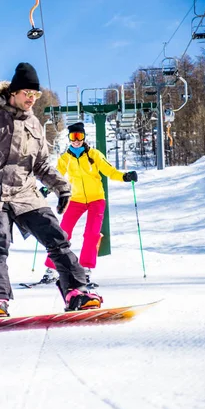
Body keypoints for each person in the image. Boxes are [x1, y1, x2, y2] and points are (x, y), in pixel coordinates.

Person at [0, 62, 103, 318]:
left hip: (26, 194)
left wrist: (61, 186)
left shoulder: (35, 124)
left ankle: (76, 292)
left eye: (35, 95)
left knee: (56, 237)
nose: (32, 99)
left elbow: (42, 164)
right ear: (13, 92)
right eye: (27, 93)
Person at [41, 122, 138, 287]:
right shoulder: (65, 159)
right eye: (73, 137)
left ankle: (85, 270)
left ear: (84, 137)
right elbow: (57, 177)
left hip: (96, 199)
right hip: (76, 199)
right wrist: (46, 188)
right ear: (69, 138)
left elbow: (109, 171)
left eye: (79, 137)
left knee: (92, 234)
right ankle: (52, 269)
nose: (76, 140)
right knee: (62, 233)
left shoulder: (94, 155)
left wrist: (125, 176)